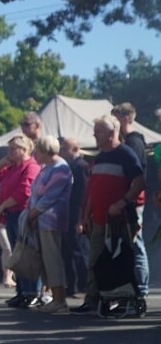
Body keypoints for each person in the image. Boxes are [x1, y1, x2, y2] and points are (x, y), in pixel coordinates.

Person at [71, 115, 145, 315]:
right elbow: (92, 189)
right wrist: (86, 214)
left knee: (121, 260)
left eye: (99, 131)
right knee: (95, 260)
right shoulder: (100, 156)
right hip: (99, 218)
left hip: (118, 220)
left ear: (112, 132)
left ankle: (127, 298)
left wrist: (123, 202)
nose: (94, 134)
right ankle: (94, 299)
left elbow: (139, 181)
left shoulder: (125, 154)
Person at [0, 135, 42, 308]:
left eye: (13, 149)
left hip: (22, 213)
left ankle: (31, 292)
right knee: (17, 254)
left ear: (24, 150)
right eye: (8, 149)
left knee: (26, 253)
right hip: (11, 214)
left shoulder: (31, 166)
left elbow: (24, 192)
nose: (9, 152)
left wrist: (2, 206)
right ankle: (21, 291)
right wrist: (5, 160)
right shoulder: (12, 167)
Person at [26, 136, 73, 314]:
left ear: (45, 151)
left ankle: (60, 300)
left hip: (52, 220)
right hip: (41, 220)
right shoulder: (47, 168)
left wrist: (33, 212)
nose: (34, 153)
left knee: (53, 260)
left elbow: (50, 197)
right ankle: (55, 298)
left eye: (37, 150)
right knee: (47, 260)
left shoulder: (60, 168)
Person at [111, 102, 150, 301]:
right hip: (128, 200)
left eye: (116, 117)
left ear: (125, 117)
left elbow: (136, 176)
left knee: (137, 244)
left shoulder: (134, 143)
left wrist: (128, 198)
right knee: (131, 245)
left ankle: (141, 290)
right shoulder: (129, 142)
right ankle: (135, 289)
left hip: (133, 201)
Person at [59, 137, 90, 297]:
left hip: (75, 215)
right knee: (67, 251)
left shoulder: (81, 167)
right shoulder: (69, 167)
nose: (62, 152)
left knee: (79, 251)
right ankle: (71, 285)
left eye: (65, 149)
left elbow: (82, 196)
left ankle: (83, 285)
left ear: (75, 149)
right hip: (67, 215)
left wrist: (80, 219)